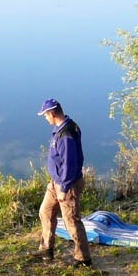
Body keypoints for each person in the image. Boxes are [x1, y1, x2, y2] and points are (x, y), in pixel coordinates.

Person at [36, 98, 92, 267]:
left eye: (45, 115)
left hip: (66, 185)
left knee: (72, 221)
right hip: (56, 183)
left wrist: (64, 187)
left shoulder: (66, 134)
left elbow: (69, 162)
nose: (45, 118)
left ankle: (83, 259)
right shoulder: (63, 128)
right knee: (45, 212)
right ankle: (46, 248)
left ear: (52, 113)